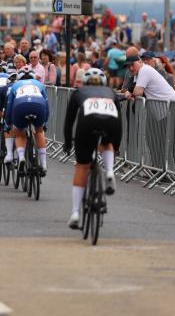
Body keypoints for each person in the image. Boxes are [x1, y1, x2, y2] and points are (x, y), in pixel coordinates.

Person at [62, 68, 122, 229]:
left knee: (82, 166)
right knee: (106, 142)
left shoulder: (79, 92)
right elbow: (119, 121)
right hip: (111, 123)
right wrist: (116, 146)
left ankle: (75, 213)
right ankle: (109, 171)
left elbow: (69, 121)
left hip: (87, 124)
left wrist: (68, 143)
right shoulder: (111, 92)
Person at [5, 67, 50, 176]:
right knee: (39, 132)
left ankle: (21, 158)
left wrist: (9, 124)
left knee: (20, 134)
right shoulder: (39, 84)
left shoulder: (15, 85)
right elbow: (47, 105)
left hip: (20, 106)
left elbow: (10, 107)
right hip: (38, 105)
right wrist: (45, 122)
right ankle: (43, 164)